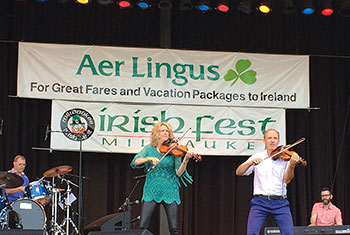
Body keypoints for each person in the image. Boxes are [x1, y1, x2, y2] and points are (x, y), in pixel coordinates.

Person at [130, 122, 195, 235]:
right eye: (162, 131)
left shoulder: (175, 150)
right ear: (157, 134)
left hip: (170, 189)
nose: (165, 133)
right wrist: (149, 158)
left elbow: (179, 173)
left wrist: (186, 159)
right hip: (152, 189)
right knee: (143, 225)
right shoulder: (149, 149)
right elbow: (135, 162)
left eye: (167, 131)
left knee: (174, 228)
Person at [236, 129, 303, 235]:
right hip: (260, 202)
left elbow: (287, 180)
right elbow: (239, 172)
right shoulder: (258, 156)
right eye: (269, 138)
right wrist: (250, 163)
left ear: (278, 141)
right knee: (251, 233)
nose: (272, 141)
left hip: (280, 202)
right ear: (264, 141)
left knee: (288, 233)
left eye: (275, 138)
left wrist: (292, 165)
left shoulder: (284, 158)